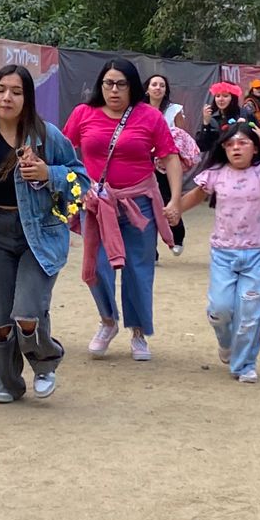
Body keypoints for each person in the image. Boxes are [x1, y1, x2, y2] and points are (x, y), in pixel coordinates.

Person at [0, 65, 88, 403]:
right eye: (0, 90)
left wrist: (48, 172)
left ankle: (44, 362)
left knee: (26, 313)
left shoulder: (48, 136)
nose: (7, 97)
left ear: (28, 98)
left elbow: (81, 184)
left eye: (16, 91)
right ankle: (7, 380)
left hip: (38, 234)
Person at [63, 58, 181, 360]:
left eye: (121, 84)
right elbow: (62, 151)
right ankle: (107, 320)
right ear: (100, 85)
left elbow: (169, 157)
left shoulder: (149, 117)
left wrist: (175, 199)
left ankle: (139, 333)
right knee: (97, 267)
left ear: (133, 87)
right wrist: (72, 189)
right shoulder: (83, 114)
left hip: (139, 203)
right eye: (108, 83)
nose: (113, 90)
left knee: (138, 271)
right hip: (97, 205)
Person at [178, 119, 260, 383]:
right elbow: (195, 197)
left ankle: (244, 364)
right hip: (223, 253)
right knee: (220, 309)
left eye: (243, 143)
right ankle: (225, 342)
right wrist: (172, 212)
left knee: (250, 311)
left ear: (254, 148)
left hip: (259, 253)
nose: (236, 148)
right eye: (230, 144)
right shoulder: (216, 174)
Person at [146, 73, 191, 255]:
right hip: (143, 161)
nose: (158, 88)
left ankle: (177, 235)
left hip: (166, 162)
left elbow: (183, 137)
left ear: (166, 90)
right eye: (154, 84)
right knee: (145, 205)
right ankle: (151, 250)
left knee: (166, 200)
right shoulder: (137, 110)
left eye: (162, 85)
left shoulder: (174, 110)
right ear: (147, 89)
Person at [196, 81, 243, 150]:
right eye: (217, 96)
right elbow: (202, 146)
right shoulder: (212, 119)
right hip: (218, 159)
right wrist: (206, 123)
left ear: (233, 98)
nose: (221, 99)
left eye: (225, 96)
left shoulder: (244, 114)